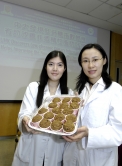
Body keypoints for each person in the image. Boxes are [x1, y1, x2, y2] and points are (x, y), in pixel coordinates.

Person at [63, 43, 122, 166]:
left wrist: (89, 133)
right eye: (85, 61)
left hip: (100, 159)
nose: (90, 65)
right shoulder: (80, 91)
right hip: (75, 155)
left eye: (95, 60)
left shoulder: (115, 90)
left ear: (104, 60)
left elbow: (118, 132)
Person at [12, 50, 73, 166]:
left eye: (60, 65)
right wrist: (25, 120)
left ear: (64, 69)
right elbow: (24, 112)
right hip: (32, 144)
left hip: (55, 148)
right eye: (51, 64)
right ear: (45, 67)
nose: (55, 68)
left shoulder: (69, 94)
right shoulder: (33, 87)